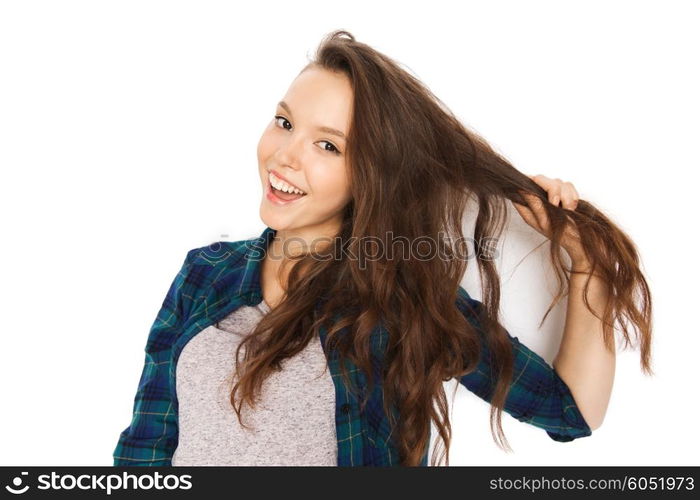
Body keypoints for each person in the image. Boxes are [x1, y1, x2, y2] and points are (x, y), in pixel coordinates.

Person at [113, 30, 653, 467]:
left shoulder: (403, 302)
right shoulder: (204, 274)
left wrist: (589, 268)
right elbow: (145, 448)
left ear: (371, 175)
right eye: (284, 122)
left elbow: (571, 411)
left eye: (328, 145)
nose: (284, 156)